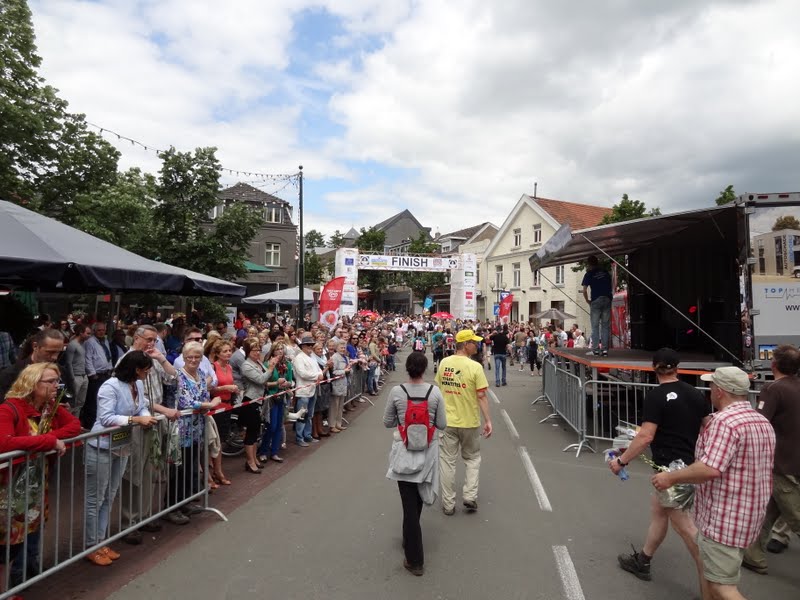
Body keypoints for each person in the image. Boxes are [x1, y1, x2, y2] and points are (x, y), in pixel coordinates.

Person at [652, 366, 775, 600]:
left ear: (720, 391)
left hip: (724, 517)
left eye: (711, 385)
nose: (709, 389)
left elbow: (710, 468)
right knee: (712, 577)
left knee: (722, 586)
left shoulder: (724, 422)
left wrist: (670, 477)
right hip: (749, 514)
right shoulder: (760, 421)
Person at [609, 348, 712, 599]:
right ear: (678, 367)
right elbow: (708, 427)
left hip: (669, 470)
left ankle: (715, 578)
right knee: (659, 512)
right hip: (688, 464)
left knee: (686, 528)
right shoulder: (696, 394)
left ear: (654, 368)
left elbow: (646, 436)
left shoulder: (656, 396)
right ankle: (643, 560)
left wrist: (621, 461)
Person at [0, 363, 80, 587]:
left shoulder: (49, 406)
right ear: (32, 383)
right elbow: (4, 443)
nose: (57, 386)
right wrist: (49, 442)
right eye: (51, 382)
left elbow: (74, 425)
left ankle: (14, 582)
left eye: (57, 381)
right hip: (8, 489)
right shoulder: (10, 408)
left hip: (34, 486)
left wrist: (51, 438)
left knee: (23, 537)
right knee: (6, 543)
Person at [84, 351, 158, 566]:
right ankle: (91, 545)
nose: (147, 374)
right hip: (102, 446)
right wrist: (135, 418)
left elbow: (141, 405)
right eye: (145, 370)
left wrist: (144, 415)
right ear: (136, 369)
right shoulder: (110, 386)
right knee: (95, 499)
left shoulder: (138, 385)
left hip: (122, 445)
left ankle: (101, 541)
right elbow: (106, 418)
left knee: (110, 496)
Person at [384, 351, 447, 577]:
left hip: (403, 450)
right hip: (427, 452)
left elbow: (387, 421)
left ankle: (415, 559)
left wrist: (403, 421)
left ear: (407, 368)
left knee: (408, 504)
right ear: (425, 368)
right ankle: (409, 540)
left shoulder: (396, 391)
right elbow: (441, 423)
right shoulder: (435, 392)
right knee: (416, 501)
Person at [118, 325, 181, 542]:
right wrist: (164, 410)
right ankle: (129, 521)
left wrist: (161, 359)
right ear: (136, 338)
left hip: (154, 420)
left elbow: (174, 378)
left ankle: (144, 516)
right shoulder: (127, 360)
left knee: (150, 471)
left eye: (155, 339)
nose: (152, 343)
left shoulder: (152, 358)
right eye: (148, 339)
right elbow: (135, 397)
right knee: (134, 472)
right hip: (137, 422)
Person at [742, 344, 800, 574]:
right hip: (793, 459)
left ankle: (753, 554)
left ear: (773, 364)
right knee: (768, 510)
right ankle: (752, 554)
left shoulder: (773, 389)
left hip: (781, 462)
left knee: (795, 515)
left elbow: (760, 422)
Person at [435, 329, 492, 515]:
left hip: (447, 421)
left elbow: (440, 388)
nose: (477, 345)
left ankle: (448, 503)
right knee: (473, 459)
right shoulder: (475, 367)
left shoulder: (444, 363)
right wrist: (488, 420)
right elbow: (481, 396)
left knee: (447, 462)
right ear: (465, 344)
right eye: (474, 342)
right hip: (469, 421)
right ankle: (469, 496)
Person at [164, 342, 221, 524]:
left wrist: (208, 402)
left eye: (197, 357)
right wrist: (209, 405)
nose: (194, 360)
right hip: (183, 429)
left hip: (197, 428)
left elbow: (203, 395)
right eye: (190, 357)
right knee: (178, 470)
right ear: (184, 358)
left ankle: (186, 501)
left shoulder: (202, 374)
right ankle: (171, 507)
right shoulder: (179, 375)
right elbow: (185, 400)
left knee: (190, 468)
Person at [240, 338, 276, 472]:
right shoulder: (246, 365)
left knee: (255, 432)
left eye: (258, 350)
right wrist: (271, 368)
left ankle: (254, 458)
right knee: (250, 432)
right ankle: (249, 461)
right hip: (251, 400)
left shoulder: (258, 362)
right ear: (248, 352)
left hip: (260, 399)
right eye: (254, 350)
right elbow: (261, 379)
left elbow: (267, 378)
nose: (257, 352)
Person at [0, 329, 65, 402]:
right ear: (35, 346)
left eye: (58, 352)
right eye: (50, 352)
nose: (55, 357)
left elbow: (66, 394)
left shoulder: (60, 371)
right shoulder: (10, 374)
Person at [291, 335, 323, 447]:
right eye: (308, 345)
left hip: (312, 389)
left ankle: (307, 435)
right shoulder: (299, 358)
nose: (310, 347)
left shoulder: (312, 358)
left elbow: (320, 370)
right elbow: (302, 373)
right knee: (302, 415)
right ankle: (299, 437)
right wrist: (317, 376)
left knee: (309, 414)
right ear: (303, 346)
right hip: (303, 390)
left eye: (311, 345)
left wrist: (320, 375)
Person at [81, 322, 113, 429]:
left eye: (103, 330)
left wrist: (110, 368)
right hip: (96, 376)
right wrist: (92, 374)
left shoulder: (105, 341)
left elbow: (107, 356)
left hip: (106, 374)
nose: (101, 332)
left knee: (103, 399)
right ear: (94, 331)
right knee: (93, 401)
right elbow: (88, 358)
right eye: (99, 330)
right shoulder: (89, 342)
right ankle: (89, 424)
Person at [581, 255, 613, 356]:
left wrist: (587, 300)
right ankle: (604, 350)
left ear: (589, 264)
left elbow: (584, 290)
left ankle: (595, 349)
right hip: (607, 299)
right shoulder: (605, 272)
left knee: (595, 326)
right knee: (605, 326)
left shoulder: (589, 274)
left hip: (596, 300)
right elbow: (610, 285)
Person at [64, 324, 91, 417]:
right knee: (72, 403)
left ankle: (76, 422)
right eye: (87, 333)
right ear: (81, 333)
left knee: (80, 402)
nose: (89, 335)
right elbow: (68, 363)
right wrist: (71, 378)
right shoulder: (72, 345)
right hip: (75, 376)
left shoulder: (83, 344)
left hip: (83, 376)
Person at [329, 342, 350, 433]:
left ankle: (338, 423)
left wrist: (348, 370)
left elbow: (347, 369)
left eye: (344, 347)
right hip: (337, 384)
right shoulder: (334, 357)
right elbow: (333, 372)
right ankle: (332, 425)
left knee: (340, 405)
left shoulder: (345, 357)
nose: (343, 349)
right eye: (341, 347)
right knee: (334, 406)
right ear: (336, 348)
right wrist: (344, 371)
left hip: (343, 383)